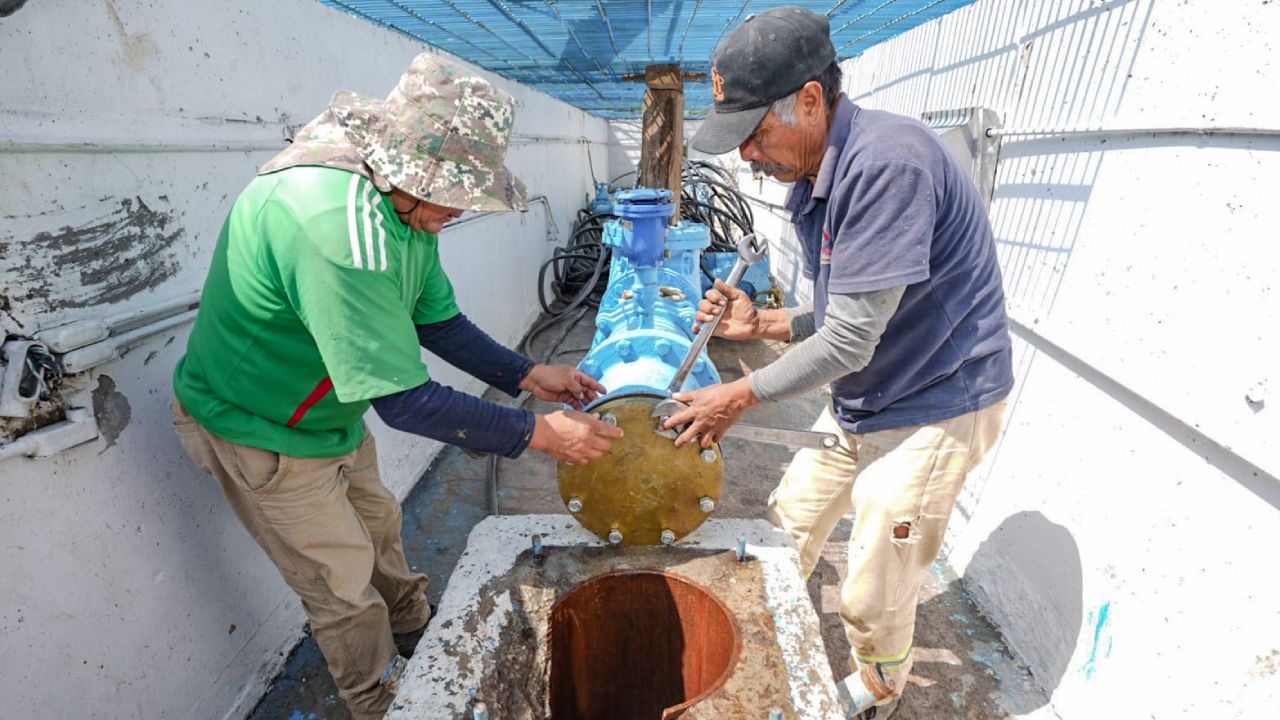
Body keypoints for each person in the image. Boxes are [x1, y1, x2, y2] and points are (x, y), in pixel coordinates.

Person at [170, 53, 622, 719]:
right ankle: (380, 699)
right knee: (342, 584)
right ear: (413, 175)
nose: (461, 211)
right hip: (258, 426)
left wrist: (527, 375)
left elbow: (436, 319)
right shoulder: (339, 229)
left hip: (327, 412)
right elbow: (406, 401)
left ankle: (417, 628)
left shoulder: (404, 207)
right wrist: (536, 433)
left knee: (380, 526)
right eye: (458, 195)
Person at [665, 7, 1013, 718]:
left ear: (811, 101)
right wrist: (761, 321)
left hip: (939, 400)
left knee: (873, 585)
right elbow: (849, 309)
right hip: (872, 389)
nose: (747, 157)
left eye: (755, 134)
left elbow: (851, 338)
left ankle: (880, 685)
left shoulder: (886, 164)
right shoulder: (817, 176)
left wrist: (737, 395)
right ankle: (754, 643)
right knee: (783, 524)